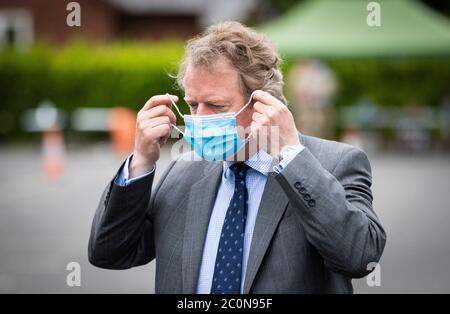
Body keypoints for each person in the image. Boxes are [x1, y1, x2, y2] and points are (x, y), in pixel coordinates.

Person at [88, 21, 386, 294]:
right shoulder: (183, 171)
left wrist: (293, 158)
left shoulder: (336, 163)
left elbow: (359, 256)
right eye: (192, 104)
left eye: (215, 105)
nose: (199, 118)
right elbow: (110, 252)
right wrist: (141, 161)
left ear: (263, 103)